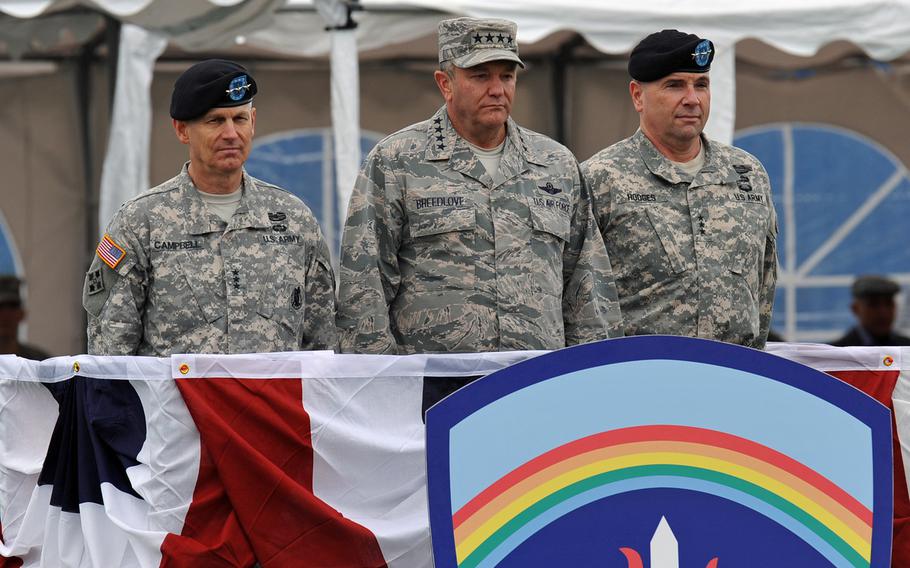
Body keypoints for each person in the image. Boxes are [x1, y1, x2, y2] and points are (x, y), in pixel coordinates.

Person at [336, 17, 622, 354]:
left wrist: (590, 373)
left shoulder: (555, 164)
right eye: (480, 76)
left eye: (507, 76)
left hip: (535, 382)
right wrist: (386, 386)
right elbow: (363, 286)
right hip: (437, 388)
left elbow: (587, 286)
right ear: (446, 83)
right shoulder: (397, 161)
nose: (497, 89)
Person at [82, 59, 336, 356]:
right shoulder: (140, 223)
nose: (230, 133)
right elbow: (109, 354)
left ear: (253, 122)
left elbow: (322, 348)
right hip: (177, 404)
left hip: (270, 404)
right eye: (215, 121)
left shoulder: (294, 220)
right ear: (182, 130)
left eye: (239, 119)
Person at [581, 30, 778, 349]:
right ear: (637, 96)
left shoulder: (747, 173)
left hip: (734, 376)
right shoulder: (601, 178)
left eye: (701, 85)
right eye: (674, 85)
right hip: (643, 379)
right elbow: (581, 303)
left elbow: (764, 286)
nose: (692, 99)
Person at [831, 275, 910, 347]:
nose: (883, 312)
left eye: (888, 303)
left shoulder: (906, 347)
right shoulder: (837, 354)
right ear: (855, 308)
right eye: (873, 304)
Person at [0, 275, 50, 359]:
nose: (6, 315)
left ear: (21, 314)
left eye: (12, 306)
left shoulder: (38, 363)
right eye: (0, 307)